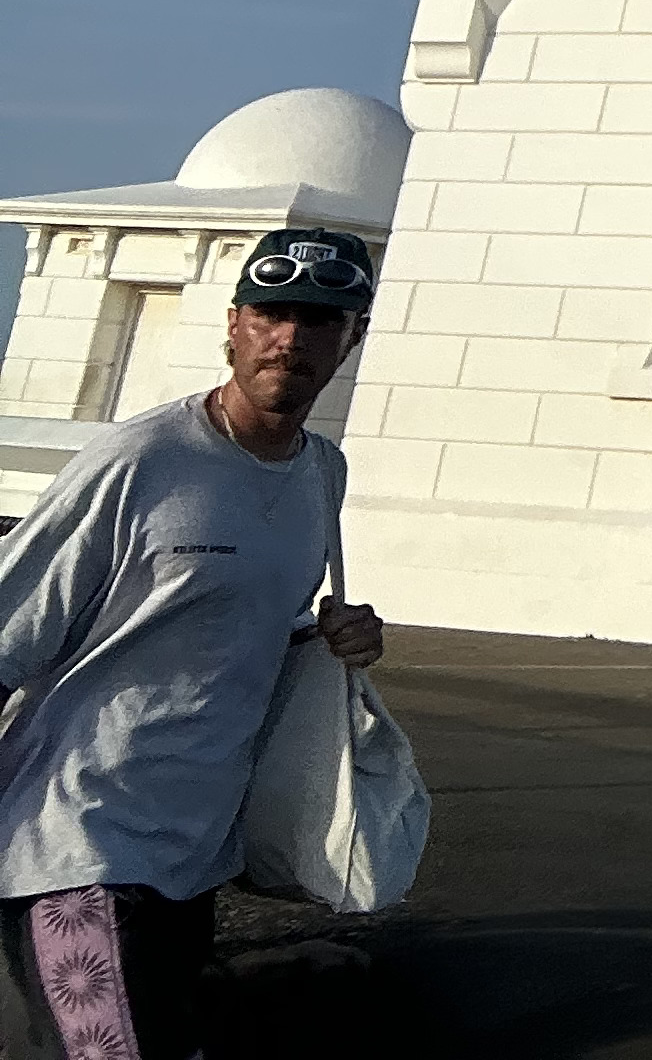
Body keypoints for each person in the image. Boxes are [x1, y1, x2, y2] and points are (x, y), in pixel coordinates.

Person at [0, 229, 389, 1060]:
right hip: (79, 840)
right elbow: (9, 625)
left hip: (196, 851)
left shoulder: (322, 471)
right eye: (272, 314)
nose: (291, 338)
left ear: (352, 336)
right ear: (234, 324)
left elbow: (241, 618)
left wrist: (332, 635)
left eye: (320, 320)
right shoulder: (141, 460)